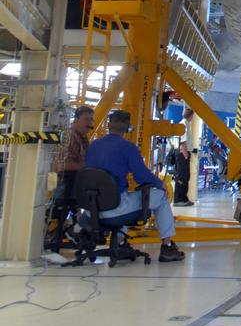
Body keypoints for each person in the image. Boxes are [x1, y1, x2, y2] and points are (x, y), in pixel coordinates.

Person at [85, 110, 185, 262]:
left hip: (92, 209)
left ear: (108, 125)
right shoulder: (128, 148)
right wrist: (161, 184)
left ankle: (119, 241)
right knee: (161, 197)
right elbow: (141, 177)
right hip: (116, 208)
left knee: (128, 197)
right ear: (128, 127)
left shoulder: (93, 146)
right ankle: (167, 246)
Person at [47, 105, 94, 248]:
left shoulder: (84, 139)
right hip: (64, 185)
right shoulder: (67, 135)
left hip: (76, 184)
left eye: (92, 120)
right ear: (76, 119)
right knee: (100, 198)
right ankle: (79, 228)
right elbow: (61, 165)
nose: (90, 123)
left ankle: (79, 228)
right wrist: (85, 167)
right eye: (87, 119)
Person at [173, 107, 195, 205]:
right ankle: (179, 200)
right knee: (182, 176)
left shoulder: (185, 123)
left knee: (186, 176)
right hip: (183, 153)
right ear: (190, 116)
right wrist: (185, 154)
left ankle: (184, 199)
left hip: (184, 152)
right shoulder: (184, 124)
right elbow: (183, 141)